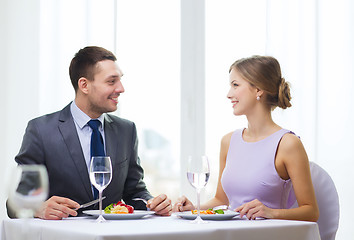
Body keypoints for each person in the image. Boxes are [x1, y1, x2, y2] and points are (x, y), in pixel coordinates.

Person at [7, 46, 172, 219]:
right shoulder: (41, 130)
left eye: (120, 80)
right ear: (84, 85)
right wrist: (37, 208)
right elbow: (16, 202)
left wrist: (152, 204)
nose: (121, 88)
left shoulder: (126, 130)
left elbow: (135, 191)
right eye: (111, 81)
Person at [173, 55, 319, 222]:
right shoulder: (228, 141)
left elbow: (311, 212)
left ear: (258, 90)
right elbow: (221, 200)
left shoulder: (288, 144)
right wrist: (194, 209)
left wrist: (270, 212)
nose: (229, 94)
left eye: (235, 85)